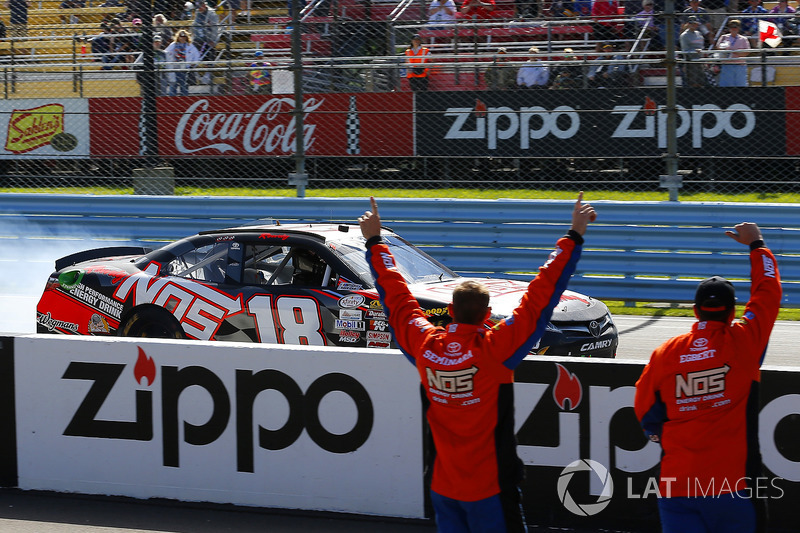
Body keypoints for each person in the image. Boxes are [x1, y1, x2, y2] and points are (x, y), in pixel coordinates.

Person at [359, 193, 597, 533]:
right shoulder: (495, 349)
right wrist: (573, 235)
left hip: (443, 487)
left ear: (450, 312)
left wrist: (374, 241)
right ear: (487, 315)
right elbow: (541, 295)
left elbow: (395, 296)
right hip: (489, 489)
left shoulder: (424, 345)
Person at [634, 222, 781, 533]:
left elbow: (645, 410)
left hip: (676, 486)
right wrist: (757, 245)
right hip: (732, 485)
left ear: (695, 310)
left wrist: (666, 436)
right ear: (732, 312)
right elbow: (768, 291)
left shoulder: (665, 353)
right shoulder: (744, 340)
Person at [164, 29, 201, 95]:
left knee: (183, 85)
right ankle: (172, 99)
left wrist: (193, 64)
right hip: (174, 68)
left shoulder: (190, 45)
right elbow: (166, 52)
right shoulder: (173, 45)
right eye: (181, 36)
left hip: (184, 68)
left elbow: (197, 55)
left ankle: (184, 97)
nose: (182, 38)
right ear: (178, 37)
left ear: (186, 37)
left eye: (184, 37)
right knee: (173, 85)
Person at [715, 19, 750, 87]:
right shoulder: (724, 37)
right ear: (729, 28)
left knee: (741, 85)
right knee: (726, 86)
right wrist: (725, 49)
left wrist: (734, 52)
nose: (734, 29)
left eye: (736, 27)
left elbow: (747, 52)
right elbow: (718, 47)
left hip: (740, 66)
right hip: (727, 65)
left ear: (739, 28)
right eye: (732, 27)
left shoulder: (743, 39)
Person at [681, 16, 706, 87]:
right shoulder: (685, 35)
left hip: (700, 60)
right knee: (693, 83)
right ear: (688, 24)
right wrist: (694, 51)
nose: (694, 25)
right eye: (692, 23)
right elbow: (685, 50)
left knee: (701, 82)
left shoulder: (698, 33)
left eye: (695, 23)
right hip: (691, 62)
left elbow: (702, 45)